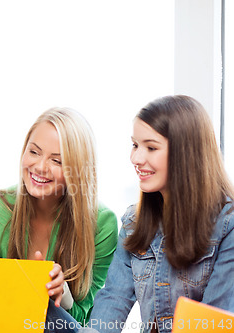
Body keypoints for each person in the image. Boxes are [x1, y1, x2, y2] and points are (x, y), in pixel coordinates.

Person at [86, 95, 234, 333]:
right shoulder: (134, 222)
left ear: (185, 154)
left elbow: (211, 325)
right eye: (135, 145)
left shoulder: (228, 226)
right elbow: (113, 300)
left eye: (151, 147)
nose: (136, 158)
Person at [0, 107, 118, 327]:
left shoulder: (101, 223)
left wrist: (64, 295)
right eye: (34, 152)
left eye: (57, 161)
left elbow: (92, 323)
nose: (40, 167)